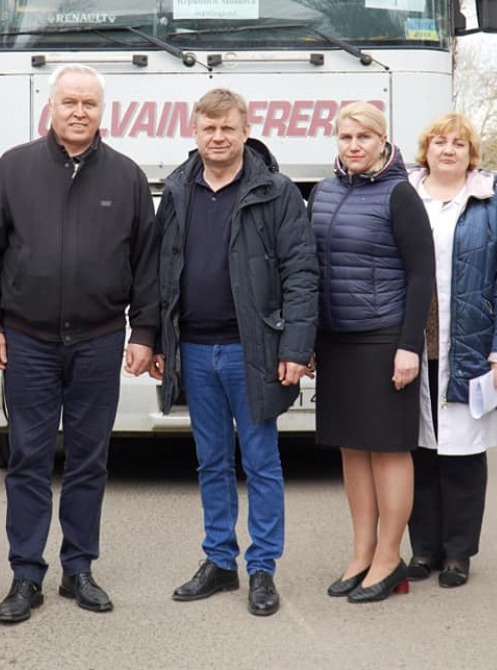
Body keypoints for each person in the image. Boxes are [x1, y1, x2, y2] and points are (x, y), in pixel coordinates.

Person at [0, 63, 159, 625]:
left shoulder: (126, 177)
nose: (78, 111)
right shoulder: (14, 168)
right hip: (27, 340)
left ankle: (79, 568)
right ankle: (26, 574)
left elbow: (147, 263)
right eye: (69, 101)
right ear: (51, 107)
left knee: (89, 459)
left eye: (88, 103)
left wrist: (145, 332)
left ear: (102, 110)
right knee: (28, 458)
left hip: (99, 339)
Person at [151, 88, 318, 617]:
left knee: (262, 462)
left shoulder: (276, 192)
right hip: (195, 351)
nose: (218, 137)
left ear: (246, 131)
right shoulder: (178, 189)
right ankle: (220, 561)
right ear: (194, 131)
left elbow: (301, 272)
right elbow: (159, 269)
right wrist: (157, 339)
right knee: (212, 462)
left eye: (228, 128)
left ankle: (262, 567)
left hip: (255, 350)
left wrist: (295, 346)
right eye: (209, 128)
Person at [309, 101, 434, 603]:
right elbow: (310, 271)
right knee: (352, 449)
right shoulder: (323, 191)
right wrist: (308, 340)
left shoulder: (400, 194)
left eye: (364, 137)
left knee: (387, 449)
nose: (354, 146)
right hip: (336, 340)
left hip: (383, 339)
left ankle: (389, 557)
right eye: (346, 137)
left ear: (383, 141)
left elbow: (421, 276)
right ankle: (361, 553)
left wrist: (408, 347)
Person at [406, 113, 497, 588]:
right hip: (413, 345)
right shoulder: (404, 197)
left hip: (470, 344)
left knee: (463, 455)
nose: (449, 150)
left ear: (471, 154)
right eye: (440, 142)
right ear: (426, 150)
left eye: (459, 143)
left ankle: (457, 552)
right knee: (418, 451)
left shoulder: (491, 203)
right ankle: (423, 549)